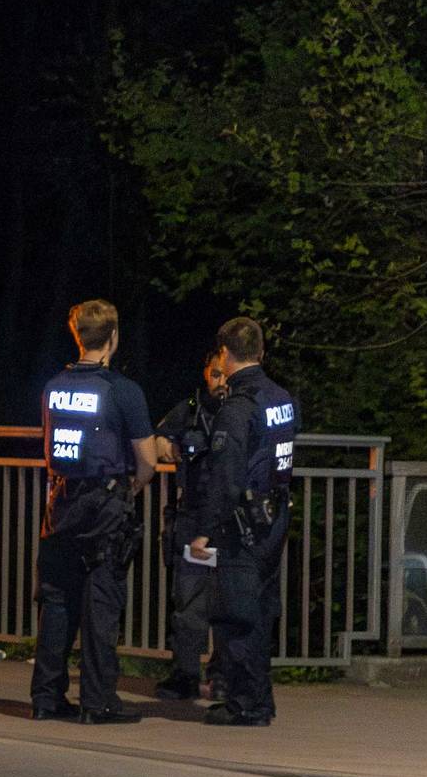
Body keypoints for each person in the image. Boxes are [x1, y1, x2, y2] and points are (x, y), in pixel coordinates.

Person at [31, 300, 157, 724]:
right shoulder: (124, 391)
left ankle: (46, 699)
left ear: (77, 334)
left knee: (58, 603)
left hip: (60, 504)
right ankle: (97, 702)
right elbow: (147, 459)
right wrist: (134, 485)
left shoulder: (52, 386)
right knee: (100, 605)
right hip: (105, 509)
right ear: (114, 338)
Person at [183, 317, 299, 727]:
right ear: (261, 352)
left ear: (225, 354)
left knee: (237, 617)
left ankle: (245, 705)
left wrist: (204, 531)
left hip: (242, 526)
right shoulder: (282, 398)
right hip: (273, 518)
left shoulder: (238, 408)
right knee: (261, 613)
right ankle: (260, 701)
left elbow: (226, 477)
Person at [152, 355, 231, 702]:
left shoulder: (242, 409)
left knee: (229, 603)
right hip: (193, 514)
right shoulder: (191, 408)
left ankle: (223, 677)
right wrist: (170, 446)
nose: (219, 381)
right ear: (205, 374)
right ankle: (185, 675)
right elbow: (158, 438)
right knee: (188, 603)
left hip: (229, 518)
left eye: (224, 375)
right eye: (214, 374)